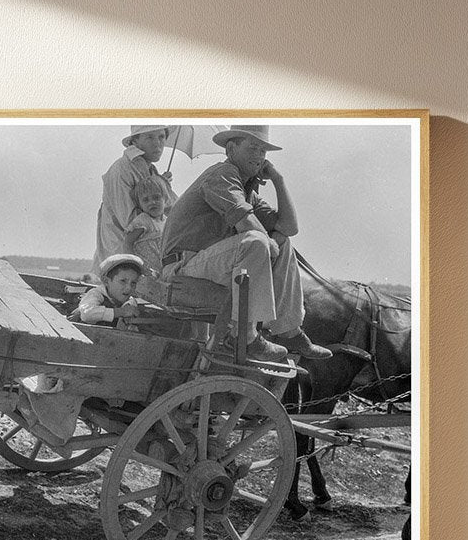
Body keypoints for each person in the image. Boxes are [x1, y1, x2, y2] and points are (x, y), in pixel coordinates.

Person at [160, 125, 333, 363]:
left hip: (206, 266)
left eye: (263, 151)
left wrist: (278, 180)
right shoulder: (222, 175)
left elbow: (289, 228)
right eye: (253, 148)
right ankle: (245, 336)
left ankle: (289, 331)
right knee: (257, 241)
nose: (260, 156)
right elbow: (247, 226)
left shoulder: (245, 190)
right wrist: (269, 243)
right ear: (231, 149)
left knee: (282, 242)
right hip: (182, 268)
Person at [92, 126, 177, 276]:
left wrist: (163, 186)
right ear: (134, 141)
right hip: (121, 255)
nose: (157, 144)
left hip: (145, 257)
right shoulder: (122, 169)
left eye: (161, 137)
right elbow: (130, 221)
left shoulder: (150, 169)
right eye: (150, 137)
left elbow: (172, 209)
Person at [76, 254, 142, 326]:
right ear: (106, 281)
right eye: (123, 281)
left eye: (133, 283)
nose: (129, 287)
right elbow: (87, 314)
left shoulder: (130, 302)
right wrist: (121, 312)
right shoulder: (96, 294)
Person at [122, 176, 167, 275]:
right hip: (145, 271)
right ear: (140, 204)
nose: (152, 202)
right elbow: (127, 243)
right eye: (146, 200)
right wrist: (136, 265)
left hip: (161, 270)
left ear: (165, 199)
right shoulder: (144, 220)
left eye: (156, 197)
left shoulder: (166, 222)